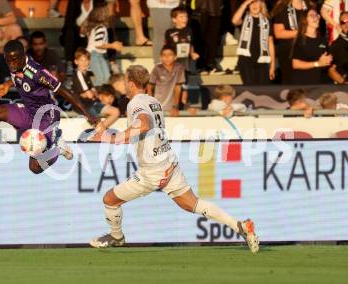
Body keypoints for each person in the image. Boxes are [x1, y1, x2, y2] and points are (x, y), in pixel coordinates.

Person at [88, 65, 259, 253]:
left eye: (124, 82)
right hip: (168, 162)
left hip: (153, 171)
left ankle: (116, 237)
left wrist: (112, 138)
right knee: (192, 204)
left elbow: (144, 124)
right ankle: (240, 226)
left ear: (130, 83)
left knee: (110, 199)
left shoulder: (135, 103)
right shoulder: (153, 100)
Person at [0, 40, 98, 172]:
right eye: (8, 60)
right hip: (29, 111)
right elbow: (18, 75)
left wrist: (86, 113)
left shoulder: (38, 72)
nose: (11, 64)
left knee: (35, 167)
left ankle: (59, 149)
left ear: (23, 56)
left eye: (14, 60)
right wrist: (7, 85)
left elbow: (64, 91)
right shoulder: (15, 65)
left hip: (46, 116)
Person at [72, 48, 120, 133]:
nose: (84, 63)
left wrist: (91, 93)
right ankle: (98, 133)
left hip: (92, 103)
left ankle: (99, 131)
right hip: (84, 106)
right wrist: (90, 93)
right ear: (76, 62)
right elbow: (89, 94)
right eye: (81, 60)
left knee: (115, 111)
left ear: (89, 61)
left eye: (86, 60)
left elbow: (93, 93)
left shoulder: (87, 74)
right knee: (98, 124)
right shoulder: (78, 74)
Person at [232, 0, 276, 85]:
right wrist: (245, 3)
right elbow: (235, 21)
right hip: (246, 61)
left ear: (261, 4)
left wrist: (272, 65)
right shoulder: (245, 18)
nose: (254, 5)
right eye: (252, 2)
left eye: (257, 2)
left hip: (262, 61)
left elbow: (270, 43)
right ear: (248, 5)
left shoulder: (267, 21)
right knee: (250, 88)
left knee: (263, 90)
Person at [83, 4, 123, 86]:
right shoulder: (101, 28)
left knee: (106, 78)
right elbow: (98, 44)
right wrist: (113, 45)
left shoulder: (97, 28)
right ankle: (93, 91)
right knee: (101, 78)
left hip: (98, 55)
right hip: (94, 55)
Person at [292, 8, 333, 85]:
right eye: (311, 15)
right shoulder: (300, 40)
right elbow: (295, 64)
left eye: (317, 15)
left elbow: (326, 63)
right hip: (305, 83)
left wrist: (329, 60)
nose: (316, 17)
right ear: (304, 20)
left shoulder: (323, 39)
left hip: (322, 83)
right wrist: (317, 63)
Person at [272, 0, 309, 84]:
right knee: (291, 84)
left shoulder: (309, 7)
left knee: (308, 83)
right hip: (288, 53)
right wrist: (302, 33)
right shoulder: (282, 8)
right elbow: (278, 33)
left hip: (307, 50)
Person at [148, 45, 185, 116]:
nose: (167, 57)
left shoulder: (179, 68)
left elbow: (178, 88)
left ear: (175, 57)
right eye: (164, 55)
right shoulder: (157, 68)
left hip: (172, 107)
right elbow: (149, 87)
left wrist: (175, 106)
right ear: (161, 57)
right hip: (157, 105)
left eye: (170, 55)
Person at [191, 0, 224, 72]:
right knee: (199, 37)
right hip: (200, 8)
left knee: (213, 38)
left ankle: (210, 62)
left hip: (216, 9)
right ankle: (199, 63)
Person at [165, 6, 200, 71]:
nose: (185, 19)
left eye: (186, 16)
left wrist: (192, 53)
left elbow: (190, 44)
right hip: (174, 60)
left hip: (185, 60)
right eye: (181, 17)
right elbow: (167, 46)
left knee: (184, 75)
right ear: (174, 19)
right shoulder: (170, 32)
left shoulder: (189, 30)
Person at [328, 11, 348, 84]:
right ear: (340, 25)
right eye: (343, 22)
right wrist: (344, 82)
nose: (346, 24)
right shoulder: (335, 45)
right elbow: (330, 70)